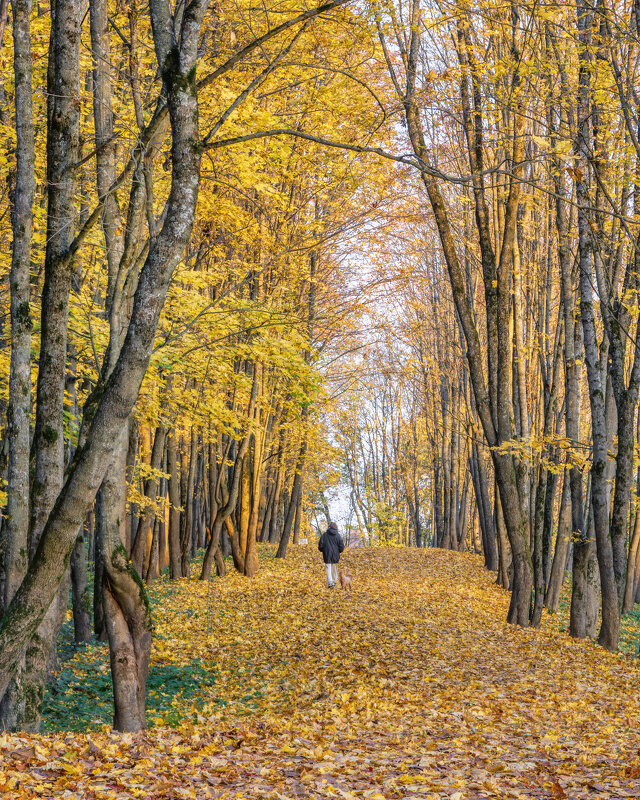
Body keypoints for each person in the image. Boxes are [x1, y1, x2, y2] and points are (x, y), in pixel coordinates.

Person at [318, 521, 345, 588]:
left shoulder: (324, 535)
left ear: (329, 527)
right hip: (335, 555)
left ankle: (330, 584)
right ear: (336, 527)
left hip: (327, 554)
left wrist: (323, 550)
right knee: (334, 569)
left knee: (328, 568)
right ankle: (334, 582)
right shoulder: (338, 535)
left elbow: (320, 545)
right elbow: (341, 546)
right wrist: (339, 551)